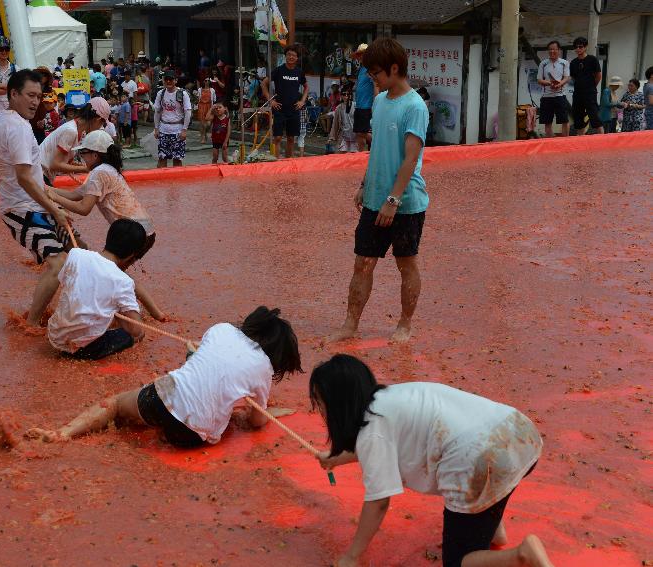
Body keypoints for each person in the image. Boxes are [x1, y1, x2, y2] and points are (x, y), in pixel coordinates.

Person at [308, 354, 553, 567]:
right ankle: (490, 528)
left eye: (320, 403)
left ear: (339, 405)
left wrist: (351, 557)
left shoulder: (373, 431)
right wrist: (336, 460)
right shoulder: (392, 397)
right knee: (487, 477)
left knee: (458, 562)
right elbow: (381, 445)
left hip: (483, 459)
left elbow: (378, 502)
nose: (320, 410)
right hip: (520, 435)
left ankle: (523, 556)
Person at [27, 306, 302, 447]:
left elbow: (201, 361)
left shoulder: (223, 329)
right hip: (192, 438)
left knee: (113, 405)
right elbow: (256, 422)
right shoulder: (264, 368)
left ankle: (63, 434)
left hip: (161, 399)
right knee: (226, 412)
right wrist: (263, 411)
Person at [329, 38, 429, 344]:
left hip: (405, 202)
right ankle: (350, 324)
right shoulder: (381, 100)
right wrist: (365, 185)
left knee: (405, 262)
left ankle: (405, 323)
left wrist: (393, 200)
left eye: (376, 73)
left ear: (394, 68)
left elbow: (411, 158)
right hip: (375, 199)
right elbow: (378, 151)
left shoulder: (415, 106)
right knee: (363, 262)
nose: (373, 78)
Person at [0, 69, 72, 327]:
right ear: (13, 94)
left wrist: (4, 165)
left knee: (75, 253)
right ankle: (33, 322)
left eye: (39, 96)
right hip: (23, 210)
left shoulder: (1, 120)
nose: (35, 101)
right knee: (58, 261)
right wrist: (54, 208)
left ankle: (65, 309)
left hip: (32, 205)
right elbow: (25, 178)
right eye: (30, 95)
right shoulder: (17, 127)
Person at [47, 130, 165, 321]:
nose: (81, 158)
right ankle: (153, 314)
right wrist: (48, 191)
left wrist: (54, 197)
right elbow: (77, 194)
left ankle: (139, 318)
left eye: (83, 153)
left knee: (115, 276)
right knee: (115, 274)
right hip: (143, 231)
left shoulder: (99, 173)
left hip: (132, 234)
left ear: (94, 154)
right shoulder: (106, 170)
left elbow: (83, 208)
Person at [46, 220, 148, 360]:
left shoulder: (76, 254)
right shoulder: (124, 281)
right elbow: (136, 329)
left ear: (108, 238)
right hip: (85, 349)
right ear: (131, 255)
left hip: (55, 337)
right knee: (134, 335)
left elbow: (65, 281)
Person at [38, 96, 110, 186]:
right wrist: (86, 169)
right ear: (97, 119)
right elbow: (55, 164)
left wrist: (85, 166)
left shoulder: (78, 131)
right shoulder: (71, 131)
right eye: (102, 124)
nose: (101, 127)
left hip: (42, 174)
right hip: (39, 174)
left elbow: (63, 161)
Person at [261, 44, 308, 159]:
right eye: (289, 55)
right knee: (277, 137)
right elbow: (264, 84)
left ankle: (288, 161)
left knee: (291, 138)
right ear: (285, 56)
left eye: (293, 55)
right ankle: (276, 161)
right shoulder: (278, 70)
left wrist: (302, 101)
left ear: (297, 58)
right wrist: (270, 101)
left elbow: (306, 87)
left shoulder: (299, 72)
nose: (291, 57)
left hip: (294, 109)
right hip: (279, 109)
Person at [153, 70, 191, 168]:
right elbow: (157, 111)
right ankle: (163, 180)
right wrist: (156, 128)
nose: (168, 82)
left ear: (176, 80)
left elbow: (188, 112)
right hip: (163, 129)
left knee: (177, 159)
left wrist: (184, 130)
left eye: (171, 79)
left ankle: (177, 182)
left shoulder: (182, 94)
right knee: (162, 158)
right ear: (163, 80)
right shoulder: (160, 93)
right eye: (166, 79)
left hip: (178, 130)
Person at [569, 37, 604, 135]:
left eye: (580, 47)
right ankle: (580, 140)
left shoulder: (592, 59)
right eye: (576, 47)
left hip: (590, 93)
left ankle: (603, 139)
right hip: (577, 93)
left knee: (594, 116)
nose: (578, 49)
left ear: (585, 47)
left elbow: (598, 76)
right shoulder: (573, 62)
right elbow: (574, 77)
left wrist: (591, 86)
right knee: (578, 118)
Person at [536, 40, 571, 137]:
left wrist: (559, 84)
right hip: (546, 96)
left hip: (560, 95)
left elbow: (566, 77)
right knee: (547, 122)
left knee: (565, 120)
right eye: (550, 49)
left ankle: (565, 142)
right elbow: (539, 80)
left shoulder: (565, 63)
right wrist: (549, 83)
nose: (552, 51)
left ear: (559, 50)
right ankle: (551, 143)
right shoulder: (543, 63)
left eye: (554, 49)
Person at [353, 43, 375, 151]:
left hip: (367, 106)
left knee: (363, 132)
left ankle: (379, 144)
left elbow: (376, 85)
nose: (361, 56)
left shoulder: (371, 69)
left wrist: (375, 103)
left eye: (363, 54)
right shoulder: (361, 69)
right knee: (358, 132)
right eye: (360, 54)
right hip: (359, 105)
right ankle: (360, 155)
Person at [328, 87, 357, 153]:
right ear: (341, 96)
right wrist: (331, 137)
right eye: (344, 94)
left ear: (351, 95)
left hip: (355, 135)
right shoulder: (339, 108)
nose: (346, 96)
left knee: (354, 157)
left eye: (348, 94)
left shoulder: (356, 106)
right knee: (342, 156)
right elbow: (335, 123)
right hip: (344, 135)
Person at [196, 78, 215, 142]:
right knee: (202, 123)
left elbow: (214, 100)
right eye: (205, 80)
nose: (206, 82)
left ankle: (205, 133)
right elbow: (198, 99)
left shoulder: (212, 90)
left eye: (208, 81)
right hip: (201, 106)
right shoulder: (200, 89)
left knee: (209, 124)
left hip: (209, 107)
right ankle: (203, 136)